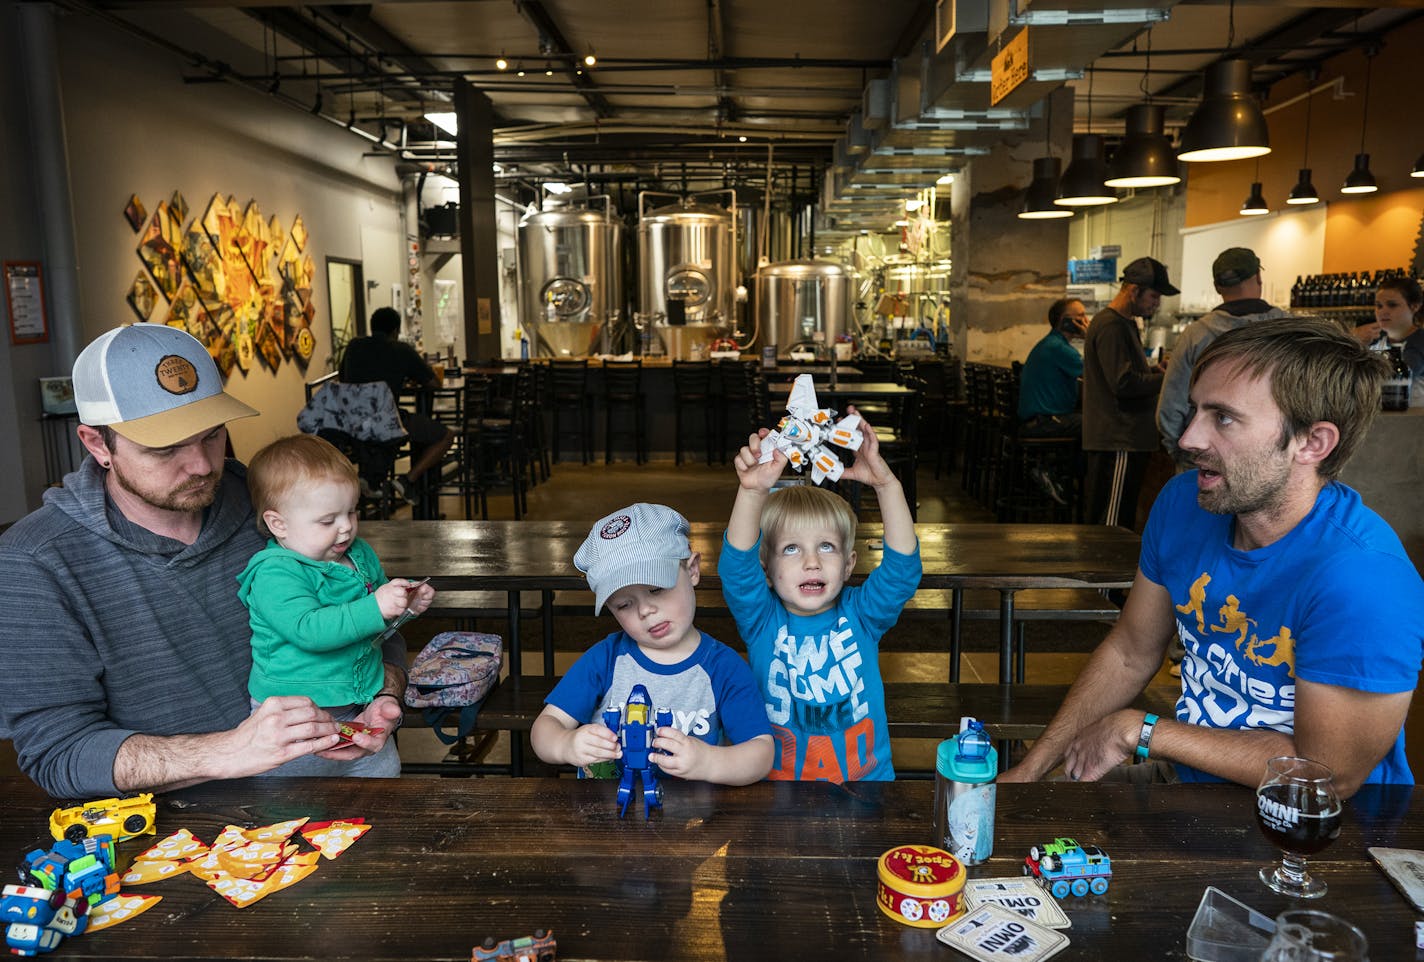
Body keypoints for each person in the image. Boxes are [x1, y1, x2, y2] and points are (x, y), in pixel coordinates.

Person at [1001, 317, 1424, 798]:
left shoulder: (1364, 579)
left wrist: (1141, 731)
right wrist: (1031, 771)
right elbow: (1129, 652)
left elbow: (1327, 774)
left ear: (1312, 443)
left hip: (1324, 829)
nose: (1189, 440)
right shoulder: (1186, 502)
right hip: (1191, 783)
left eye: (1223, 418)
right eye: (1196, 410)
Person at [0, 323, 409, 799]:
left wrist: (385, 694)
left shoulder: (270, 501)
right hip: (180, 830)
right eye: (165, 447)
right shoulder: (35, 562)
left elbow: (370, 608)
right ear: (97, 444)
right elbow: (56, 752)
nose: (199, 465)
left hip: (346, 783)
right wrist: (231, 750)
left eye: (211, 436)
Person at [722, 408, 922, 781]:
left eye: (826, 547)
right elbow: (736, 570)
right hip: (775, 793)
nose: (812, 562)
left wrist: (886, 485)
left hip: (866, 791)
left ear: (848, 565)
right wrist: (752, 492)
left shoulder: (862, 615)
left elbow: (901, 571)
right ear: (766, 569)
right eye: (792, 549)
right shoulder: (762, 620)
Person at [531, 503, 774, 785]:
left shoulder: (724, 668)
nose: (645, 610)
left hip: (693, 820)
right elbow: (544, 728)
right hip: (603, 819)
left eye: (656, 588)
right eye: (624, 604)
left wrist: (708, 761)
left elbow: (761, 753)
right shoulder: (606, 659)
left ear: (693, 569)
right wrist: (565, 743)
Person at [238, 434, 436, 777]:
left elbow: (374, 631)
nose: (346, 528)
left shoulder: (358, 555)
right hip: (293, 716)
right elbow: (309, 629)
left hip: (359, 702)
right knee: (292, 796)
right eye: (328, 520)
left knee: (381, 778)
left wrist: (405, 609)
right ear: (278, 523)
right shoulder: (275, 571)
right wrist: (376, 606)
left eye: (351, 512)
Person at [1157, 248, 1291, 467]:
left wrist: (1183, 455)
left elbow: (1171, 407)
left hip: (1204, 460)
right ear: (1258, 277)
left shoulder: (1195, 335)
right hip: (1271, 462)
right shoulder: (1291, 330)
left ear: (1217, 287)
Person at [1082, 256, 1172, 529]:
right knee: (1112, 523)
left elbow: (1127, 375)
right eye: (1154, 296)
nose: (1156, 304)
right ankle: (1102, 571)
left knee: (1116, 515)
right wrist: (1168, 380)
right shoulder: (1112, 325)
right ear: (1134, 290)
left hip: (1123, 435)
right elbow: (1123, 384)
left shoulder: (1123, 323)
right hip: (1120, 437)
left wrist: (1154, 371)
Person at [339, 306, 454, 488]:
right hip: (386, 421)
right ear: (396, 331)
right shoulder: (401, 350)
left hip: (351, 421)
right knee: (446, 436)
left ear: (372, 327)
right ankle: (407, 482)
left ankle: (370, 480)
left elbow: (343, 378)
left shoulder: (354, 346)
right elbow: (433, 383)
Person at [1018, 297, 1089, 505]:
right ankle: (1059, 477)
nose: (1086, 321)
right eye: (1081, 317)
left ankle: (1057, 474)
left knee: (1085, 422)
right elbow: (1096, 374)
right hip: (1044, 422)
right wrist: (1090, 338)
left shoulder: (1050, 344)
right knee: (1094, 425)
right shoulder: (1060, 349)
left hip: (1036, 420)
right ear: (1065, 321)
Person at [1372, 275, 1424, 405]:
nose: (1383, 312)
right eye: (1378, 306)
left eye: (1392, 305)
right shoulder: (1372, 344)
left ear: (1414, 306)